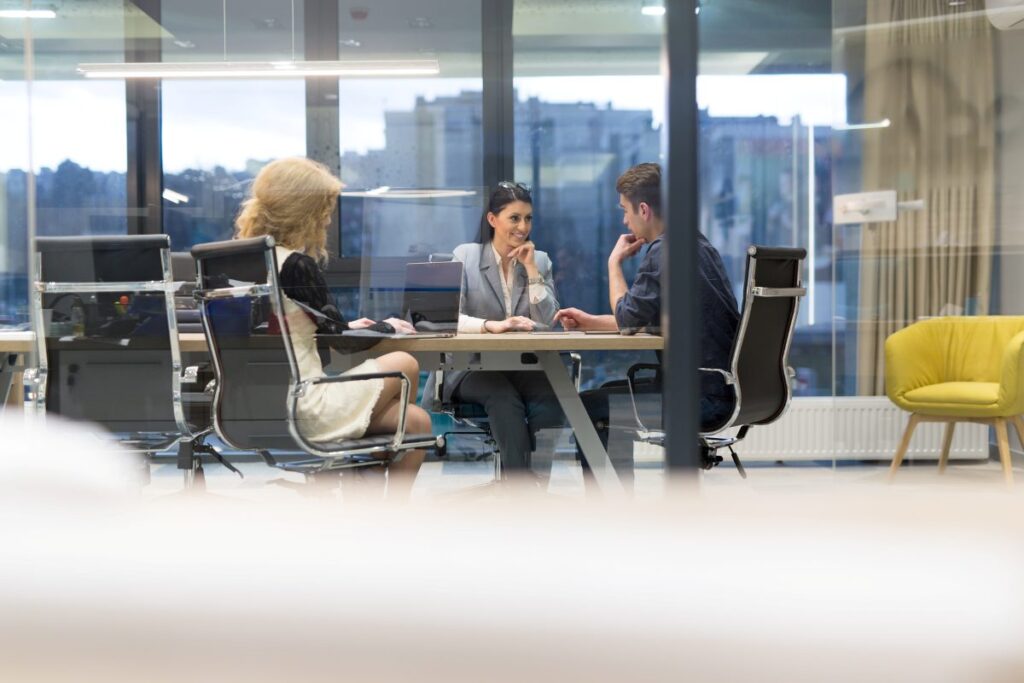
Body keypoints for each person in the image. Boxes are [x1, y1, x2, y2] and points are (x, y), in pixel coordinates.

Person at [235, 157, 431, 500]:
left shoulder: (243, 258)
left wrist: (338, 325)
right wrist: (388, 325)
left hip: (253, 405)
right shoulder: (296, 265)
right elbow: (343, 344)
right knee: (406, 362)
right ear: (303, 210)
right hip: (306, 404)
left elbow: (282, 324)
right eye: (324, 208)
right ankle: (377, 480)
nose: (328, 218)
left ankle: (368, 474)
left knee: (416, 421)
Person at [554, 162, 740, 487]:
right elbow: (642, 319)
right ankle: (618, 507)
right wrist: (591, 322)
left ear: (643, 209)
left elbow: (627, 321)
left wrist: (614, 264)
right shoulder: (699, 246)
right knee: (604, 397)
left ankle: (613, 512)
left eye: (625, 211)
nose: (624, 220)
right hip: (723, 388)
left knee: (589, 407)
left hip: (699, 396)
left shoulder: (662, 252)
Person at [443, 181, 564, 481]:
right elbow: (444, 319)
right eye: (514, 218)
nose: (523, 227)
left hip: (523, 365)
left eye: (528, 218)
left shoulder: (540, 261)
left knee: (550, 401)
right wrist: (489, 326)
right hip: (471, 367)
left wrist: (533, 271)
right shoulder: (466, 257)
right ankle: (520, 493)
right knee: (503, 398)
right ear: (492, 219)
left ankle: (534, 491)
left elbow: (548, 321)